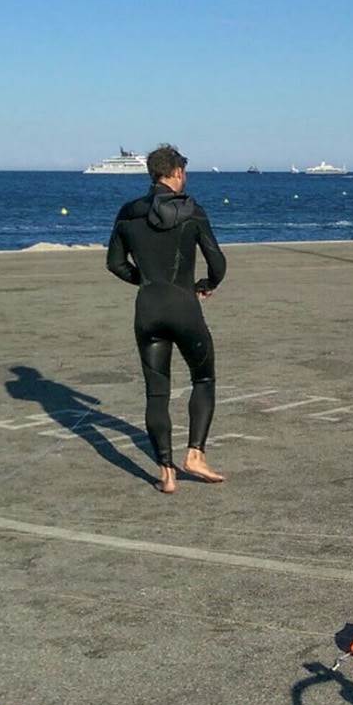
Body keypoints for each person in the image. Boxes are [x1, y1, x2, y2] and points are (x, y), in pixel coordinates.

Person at [106, 144, 228, 493]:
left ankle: (167, 474)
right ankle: (195, 455)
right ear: (176, 172)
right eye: (184, 172)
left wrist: (146, 281)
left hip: (148, 309)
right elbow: (217, 263)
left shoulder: (128, 212)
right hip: (183, 306)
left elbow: (114, 263)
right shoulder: (192, 211)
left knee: (156, 393)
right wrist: (205, 285)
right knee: (203, 378)